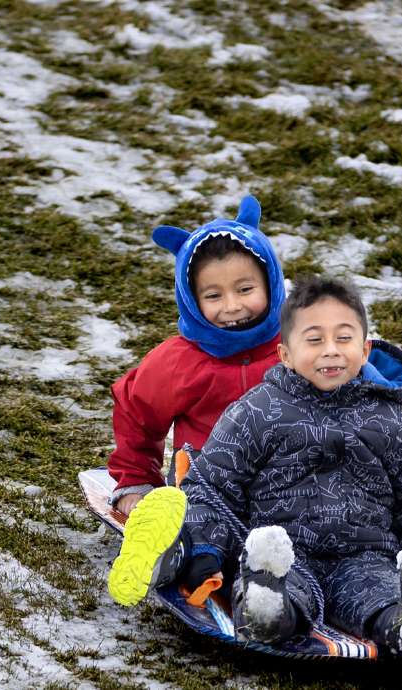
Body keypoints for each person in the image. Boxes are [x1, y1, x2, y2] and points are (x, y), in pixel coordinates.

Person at [108, 277, 402, 661]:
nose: (331, 350)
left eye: (344, 338)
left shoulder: (389, 421)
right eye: (314, 340)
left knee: (377, 599)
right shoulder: (258, 411)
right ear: (285, 354)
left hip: (365, 552)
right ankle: (257, 597)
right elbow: (214, 484)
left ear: (365, 349)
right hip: (283, 545)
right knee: (281, 585)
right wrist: (208, 535)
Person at [106, 195, 286, 517]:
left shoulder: (298, 346)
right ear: (191, 299)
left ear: (270, 283)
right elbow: (137, 412)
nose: (232, 306)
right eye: (214, 295)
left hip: (292, 484)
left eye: (245, 289)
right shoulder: (179, 362)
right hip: (205, 487)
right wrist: (136, 481)